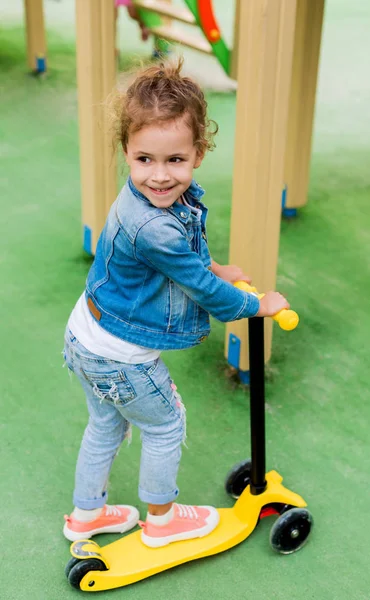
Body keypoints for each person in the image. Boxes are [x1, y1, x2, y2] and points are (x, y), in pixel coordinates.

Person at [62, 58, 290, 548]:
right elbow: (200, 289)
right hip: (120, 356)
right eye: (144, 160)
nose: (160, 176)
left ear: (198, 153)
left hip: (87, 333)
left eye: (175, 161)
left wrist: (215, 268)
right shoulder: (154, 225)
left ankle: (87, 515)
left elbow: (184, 263)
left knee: (106, 425)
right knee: (166, 425)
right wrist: (258, 307)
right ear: (126, 151)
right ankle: (162, 524)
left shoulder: (144, 203)